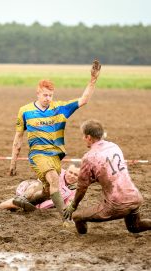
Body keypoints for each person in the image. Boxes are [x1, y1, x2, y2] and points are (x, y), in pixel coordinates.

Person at [9, 60, 101, 221]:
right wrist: (13, 163)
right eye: (45, 95)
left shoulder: (59, 108)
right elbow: (18, 138)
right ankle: (65, 217)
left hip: (55, 155)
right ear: (37, 93)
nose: (48, 98)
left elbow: (84, 99)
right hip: (38, 154)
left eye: (50, 95)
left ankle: (20, 203)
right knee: (53, 179)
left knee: (47, 191)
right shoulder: (25, 111)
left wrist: (93, 79)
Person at [63, 120, 151, 234]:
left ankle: (81, 240)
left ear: (88, 137)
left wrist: (73, 205)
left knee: (77, 217)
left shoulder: (89, 157)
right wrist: (90, 181)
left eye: (83, 136)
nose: (83, 138)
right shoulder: (114, 146)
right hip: (134, 197)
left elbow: (81, 188)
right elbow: (108, 172)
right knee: (134, 227)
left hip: (117, 204)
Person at [0, 163, 80, 212]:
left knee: (19, 205)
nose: (71, 175)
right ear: (67, 170)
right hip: (32, 189)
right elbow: (40, 182)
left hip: (42, 205)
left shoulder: (74, 190)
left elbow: (67, 207)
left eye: (76, 175)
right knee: (31, 196)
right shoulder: (57, 172)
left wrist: (47, 210)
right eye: (70, 172)